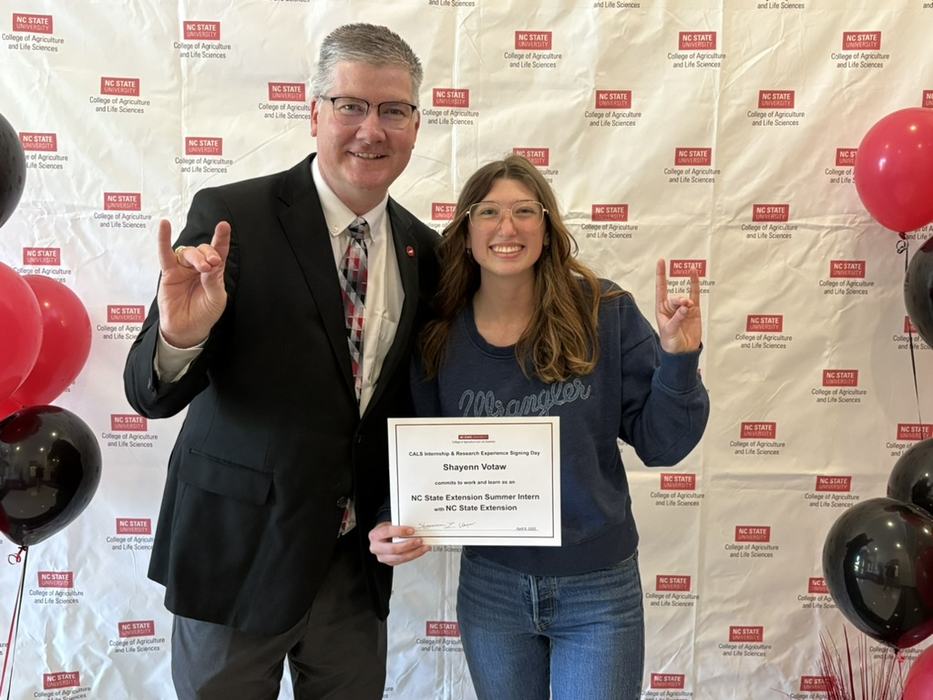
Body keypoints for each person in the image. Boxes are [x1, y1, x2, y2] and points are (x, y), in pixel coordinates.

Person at [123, 23, 439, 700]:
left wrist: (406, 507)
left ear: (416, 124)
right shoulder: (232, 217)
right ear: (315, 113)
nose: (371, 130)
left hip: (351, 569)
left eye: (393, 110)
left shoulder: (427, 250)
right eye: (351, 105)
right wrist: (180, 337)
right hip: (235, 556)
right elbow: (150, 396)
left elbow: (406, 407)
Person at [369, 154, 709, 699]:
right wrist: (394, 518)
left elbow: (663, 444)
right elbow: (417, 451)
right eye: (489, 212)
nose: (507, 227)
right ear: (466, 233)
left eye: (525, 211)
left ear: (547, 230)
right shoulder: (437, 334)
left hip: (599, 588)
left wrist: (678, 359)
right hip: (492, 588)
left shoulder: (604, 312)